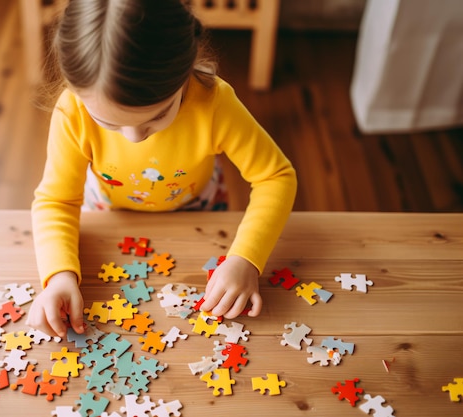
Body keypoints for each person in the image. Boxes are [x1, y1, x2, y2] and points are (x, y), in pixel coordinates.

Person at [25, 0, 297, 338]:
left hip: (199, 211)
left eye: (155, 117)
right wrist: (59, 276)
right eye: (108, 122)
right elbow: (56, 201)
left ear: (184, 73)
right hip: (107, 215)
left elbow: (276, 176)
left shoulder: (214, 102)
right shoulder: (72, 112)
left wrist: (246, 259)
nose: (135, 138)